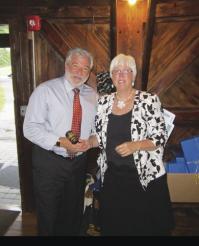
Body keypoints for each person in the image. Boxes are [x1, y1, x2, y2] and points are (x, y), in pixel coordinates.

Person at [83, 54, 174, 236]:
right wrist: (87, 143)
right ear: (111, 76)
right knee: (115, 227)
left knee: (145, 228)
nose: (121, 75)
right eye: (116, 71)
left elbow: (159, 137)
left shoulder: (149, 100)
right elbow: (99, 137)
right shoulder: (103, 102)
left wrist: (135, 145)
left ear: (134, 76)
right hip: (113, 178)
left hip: (143, 178)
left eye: (126, 71)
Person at [23, 48, 98, 236]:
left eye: (85, 69)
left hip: (78, 164)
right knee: (48, 215)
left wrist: (90, 142)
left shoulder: (93, 96)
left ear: (89, 73)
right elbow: (30, 128)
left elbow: (98, 130)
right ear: (66, 66)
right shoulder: (45, 91)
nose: (79, 72)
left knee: (72, 214)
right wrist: (60, 142)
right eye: (75, 66)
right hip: (49, 163)